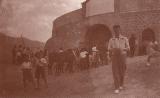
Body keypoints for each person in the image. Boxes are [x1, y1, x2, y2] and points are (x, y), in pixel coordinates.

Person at [108, 25, 130, 94]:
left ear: (120, 30)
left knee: (122, 71)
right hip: (115, 56)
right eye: (115, 30)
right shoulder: (111, 39)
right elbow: (109, 48)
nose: (116, 31)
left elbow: (128, 48)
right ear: (113, 31)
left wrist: (122, 49)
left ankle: (121, 84)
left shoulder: (124, 38)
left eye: (118, 30)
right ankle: (116, 87)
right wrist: (114, 50)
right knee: (115, 71)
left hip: (122, 56)